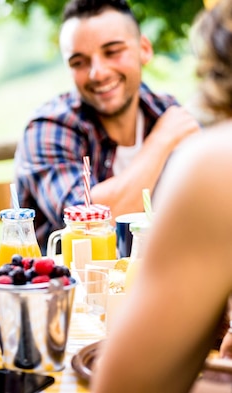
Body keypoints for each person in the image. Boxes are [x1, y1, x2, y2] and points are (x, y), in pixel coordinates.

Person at [92, 1, 232, 391]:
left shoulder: (215, 160)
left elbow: (126, 385)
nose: (98, 72)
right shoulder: (54, 124)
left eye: (113, 51)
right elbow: (87, 211)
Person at [14, 0, 201, 251]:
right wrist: (160, 142)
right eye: (79, 62)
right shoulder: (48, 129)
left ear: (144, 49)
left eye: (112, 51)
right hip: (70, 286)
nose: (98, 73)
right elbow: (86, 225)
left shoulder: (165, 111)